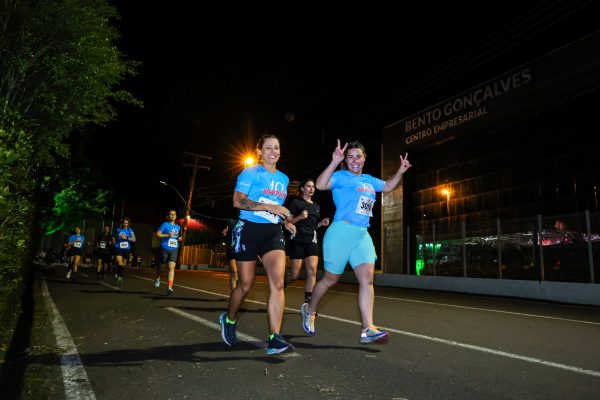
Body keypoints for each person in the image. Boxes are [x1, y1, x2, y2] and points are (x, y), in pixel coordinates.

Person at [301, 139, 412, 344]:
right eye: (350, 157)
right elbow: (321, 184)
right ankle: (310, 309)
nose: (354, 161)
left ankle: (367, 328)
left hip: (362, 235)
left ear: (364, 158)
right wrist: (335, 161)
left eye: (358, 156)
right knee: (330, 279)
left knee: (367, 279)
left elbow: (387, 186)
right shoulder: (341, 176)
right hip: (340, 232)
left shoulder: (369, 180)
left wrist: (400, 171)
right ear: (346, 160)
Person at [219, 134, 297, 355]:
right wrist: (270, 208)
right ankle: (229, 320)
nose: (273, 151)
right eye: (268, 147)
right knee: (245, 284)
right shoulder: (250, 172)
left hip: (272, 232)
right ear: (259, 152)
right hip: (248, 229)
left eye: (277, 147)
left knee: (278, 282)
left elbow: (276, 207)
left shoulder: (283, 178)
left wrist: (286, 221)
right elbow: (238, 201)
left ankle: (275, 338)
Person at [285, 178, 330, 304]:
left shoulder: (316, 206)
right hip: (297, 239)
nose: (312, 189)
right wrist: (299, 217)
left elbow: (313, 225)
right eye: (309, 186)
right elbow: (288, 222)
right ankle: (282, 283)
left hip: (312, 240)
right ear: (303, 188)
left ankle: (308, 304)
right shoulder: (295, 203)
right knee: (295, 275)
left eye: (313, 187)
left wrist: (321, 223)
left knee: (312, 271)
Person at [155, 210, 182, 295]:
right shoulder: (165, 224)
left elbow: (178, 237)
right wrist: (167, 235)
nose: (173, 216)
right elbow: (158, 234)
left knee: (171, 267)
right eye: (171, 214)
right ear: (168, 216)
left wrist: (179, 239)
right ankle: (157, 278)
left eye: (174, 214)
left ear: (176, 216)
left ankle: (169, 287)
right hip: (164, 248)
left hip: (174, 249)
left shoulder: (178, 227)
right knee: (161, 266)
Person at [114, 217, 136, 285]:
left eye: (127, 223)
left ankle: (118, 275)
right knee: (119, 262)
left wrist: (126, 237)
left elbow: (134, 239)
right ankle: (119, 277)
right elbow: (114, 237)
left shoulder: (130, 230)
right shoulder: (118, 229)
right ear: (122, 223)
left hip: (126, 248)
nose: (125, 224)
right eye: (124, 223)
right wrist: (113, 240)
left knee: (123, 264)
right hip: (118, 247)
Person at [222, 215, 239, 292]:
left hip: (242, 251)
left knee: (241, 275)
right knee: (234, 273)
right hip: (231, 249)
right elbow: (225, 230)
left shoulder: (247, 221)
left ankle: (238, 293)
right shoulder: (231, 221)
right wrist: (224, 232)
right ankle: (234, 296)